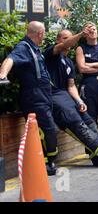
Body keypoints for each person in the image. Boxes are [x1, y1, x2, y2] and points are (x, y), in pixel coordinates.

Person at [44, 28, 98, 167]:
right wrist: (80, 34)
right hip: (54, 96)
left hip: (68, 96)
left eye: (69, 38)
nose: (68, 41)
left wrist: (79, 101)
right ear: (58, 41)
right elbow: (81, 65)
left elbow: (71, 86)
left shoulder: (69, 62)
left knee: (88, 120)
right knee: (75, 121)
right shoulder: (51, 53)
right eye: (64, 38)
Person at [0, 22, 58, 175]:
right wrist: (2, 75)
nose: (44, 35)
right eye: (44, 32)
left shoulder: (34, 49)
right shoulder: (23, 47)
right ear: (40, 33)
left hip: (43, 95)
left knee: (47, 129)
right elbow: (10, 59)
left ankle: (49, 163)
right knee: (45, 130)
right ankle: (45, 163)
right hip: (34, 97)